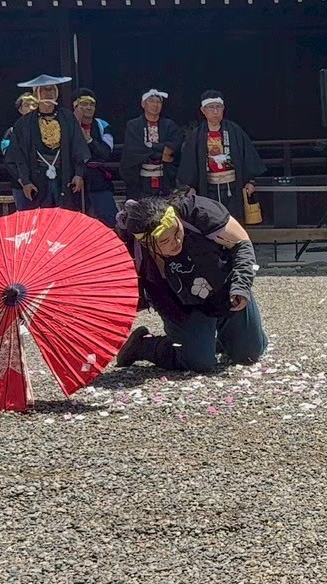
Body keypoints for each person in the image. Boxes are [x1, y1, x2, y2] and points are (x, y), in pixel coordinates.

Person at [113, 194, 268, 373]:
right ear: (145, 243)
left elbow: (242, 244)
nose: (177, 241)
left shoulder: (199, 212)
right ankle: (144, 346)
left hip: (223, 287)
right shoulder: (130, 250)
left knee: (248, 354)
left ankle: (214, 341)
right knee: (199, 363)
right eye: (165, 241)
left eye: (177, 231)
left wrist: (241, 286)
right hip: (179, 303)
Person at [175, 90, 265, 224]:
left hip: (232, 187)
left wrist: (250, 181)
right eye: (211, 107)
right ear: (203, 110)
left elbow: (248, 155)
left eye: (219, 107)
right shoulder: (197, 135)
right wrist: (190, 186)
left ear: (223, 109)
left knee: (234, 223)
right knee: (211, 224)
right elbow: (189, 163)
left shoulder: (234, 130)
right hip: (208, 187)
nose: (215, 111)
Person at [4, 75, 88, 210]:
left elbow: (78, 146)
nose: (49, 93)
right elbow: (17, 155)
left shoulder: (67, 117)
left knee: (65, 213)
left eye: (52, 89)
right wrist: (25, 181)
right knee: (39, 215)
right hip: (36, 176)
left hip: (64, 174)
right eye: (44, 90)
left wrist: (79, 173)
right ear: (36, 93)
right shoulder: (24, 123)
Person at [121, 89, 182, 200]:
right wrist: (162, 153)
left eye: (158, 102)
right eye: (151, 101)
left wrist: (152, 146)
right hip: (141, 179)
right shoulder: (133, 125)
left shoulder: (169, 125)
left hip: (164, 177)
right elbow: (134, 150)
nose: (155, 105)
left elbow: (174, 145)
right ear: (143, 104)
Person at [73, 88, 118, 225]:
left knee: (110, 219)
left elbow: (105, 153)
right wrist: (75, 124)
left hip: (98, 179)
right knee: (75, 220)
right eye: (84, 104)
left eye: (91, 104)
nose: (88, 107)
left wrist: (89, 140)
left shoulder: (103, 125)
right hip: (74, 179)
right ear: (75, 106)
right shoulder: (66, 125)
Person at [1, 93, 37, 211]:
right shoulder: (11, 132)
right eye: (27, 105)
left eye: (34, 105)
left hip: (42, 181)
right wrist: (21, 179)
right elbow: (8, 159)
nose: (31, 108)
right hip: (20, 184)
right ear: (20, 110)